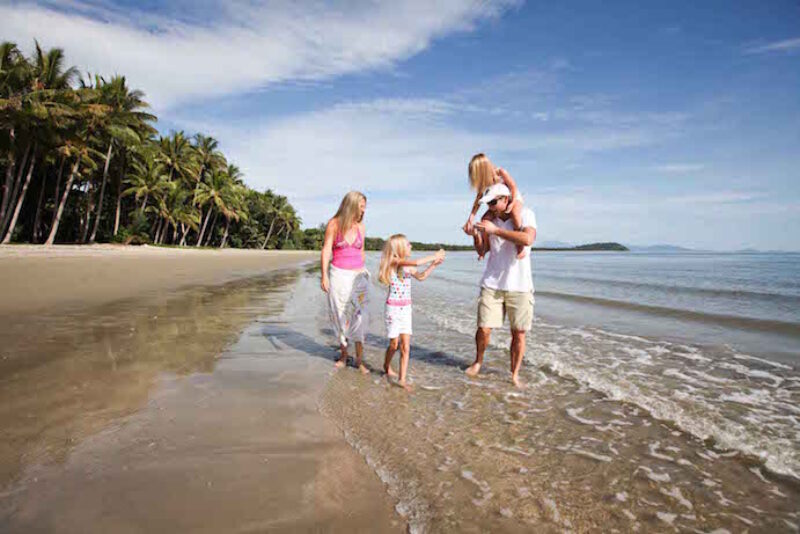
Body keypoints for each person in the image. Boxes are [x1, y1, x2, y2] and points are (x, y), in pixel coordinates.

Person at [467, 182, 537, 387]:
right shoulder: (489, 219)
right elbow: (482, 251)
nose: (490, 206)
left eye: (494, 202)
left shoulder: (526, 214)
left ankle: (514, 374)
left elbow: (527, 238)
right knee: (484, 328)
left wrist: (496, 230)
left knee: (518, 333)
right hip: (492, 283)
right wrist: (476, 236)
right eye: (487, 203)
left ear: (506, 199)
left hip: (521, 285)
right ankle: (478, 361)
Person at [378, 235, 445, 391]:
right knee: (394, 345)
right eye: (408, 244)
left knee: (406, 347)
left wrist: (434, 265)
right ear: (400, 248)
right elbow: (416, 262)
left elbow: (421, 277)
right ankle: (386, 365)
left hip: (406, 309)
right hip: (393, 309)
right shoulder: (395, 262)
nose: (411, 246)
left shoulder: (408, 267)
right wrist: (433, 255)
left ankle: (402, 379)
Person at [320, 191, 370, 373]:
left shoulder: (361, 227)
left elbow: (362, 251)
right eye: (362, 206)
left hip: (358, 275)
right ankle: (343, 354)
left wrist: (363, 275)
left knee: (360, 318)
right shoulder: (334, 224)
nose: (364, 210)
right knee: (340, 315)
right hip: (338, 274)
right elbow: (326, 250)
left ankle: (359, 360)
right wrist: (324, 275)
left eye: (365, 206)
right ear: (352, 205)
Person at [462, 153, 527, 259]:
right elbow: (477, 201)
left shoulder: (500, 172)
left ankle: (520, 247)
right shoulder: (483, 183)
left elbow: (513, 188)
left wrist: (512, 203)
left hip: (513, 197)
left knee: (515, 214)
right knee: (484, 220)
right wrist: (471, 218)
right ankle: (485, 248)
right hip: (496, 202)